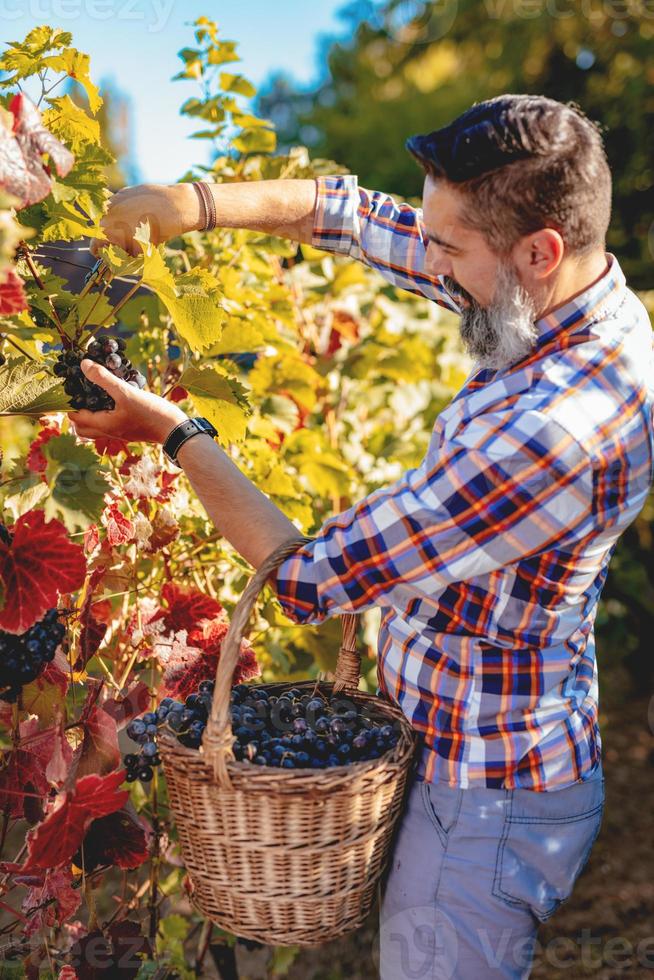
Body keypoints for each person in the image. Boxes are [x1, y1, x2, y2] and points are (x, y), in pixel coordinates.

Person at [71, 94, 654, 979]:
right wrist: (191, 206)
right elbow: (348, 213)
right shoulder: (563, 298)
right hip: (478, 743)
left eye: (448, 250)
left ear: (539, 252)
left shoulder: (556, 435)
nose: (430, 262)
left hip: (486, 799)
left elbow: (304, 577)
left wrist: (176, 435)